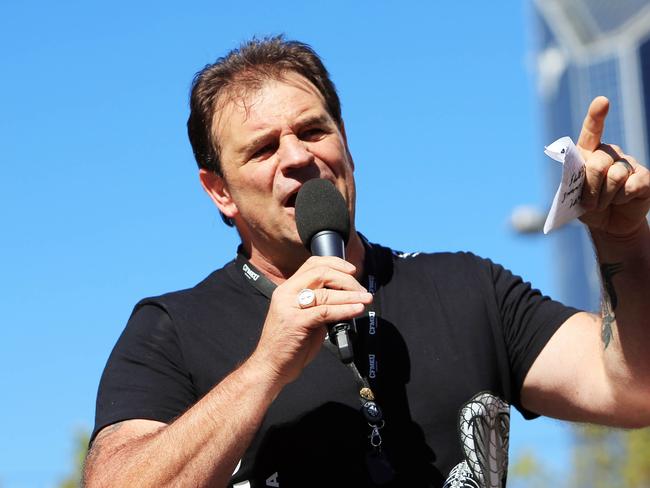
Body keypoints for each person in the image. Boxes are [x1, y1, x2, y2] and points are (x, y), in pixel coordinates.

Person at [83, 36, 650, 488]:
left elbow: (633, 389)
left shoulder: (469, 287)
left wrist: (622, 241)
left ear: (345, 142)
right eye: (262, 149)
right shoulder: (171, 331)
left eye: (312, 130)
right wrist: (265, 369)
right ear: (220, 192)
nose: (299, 157)